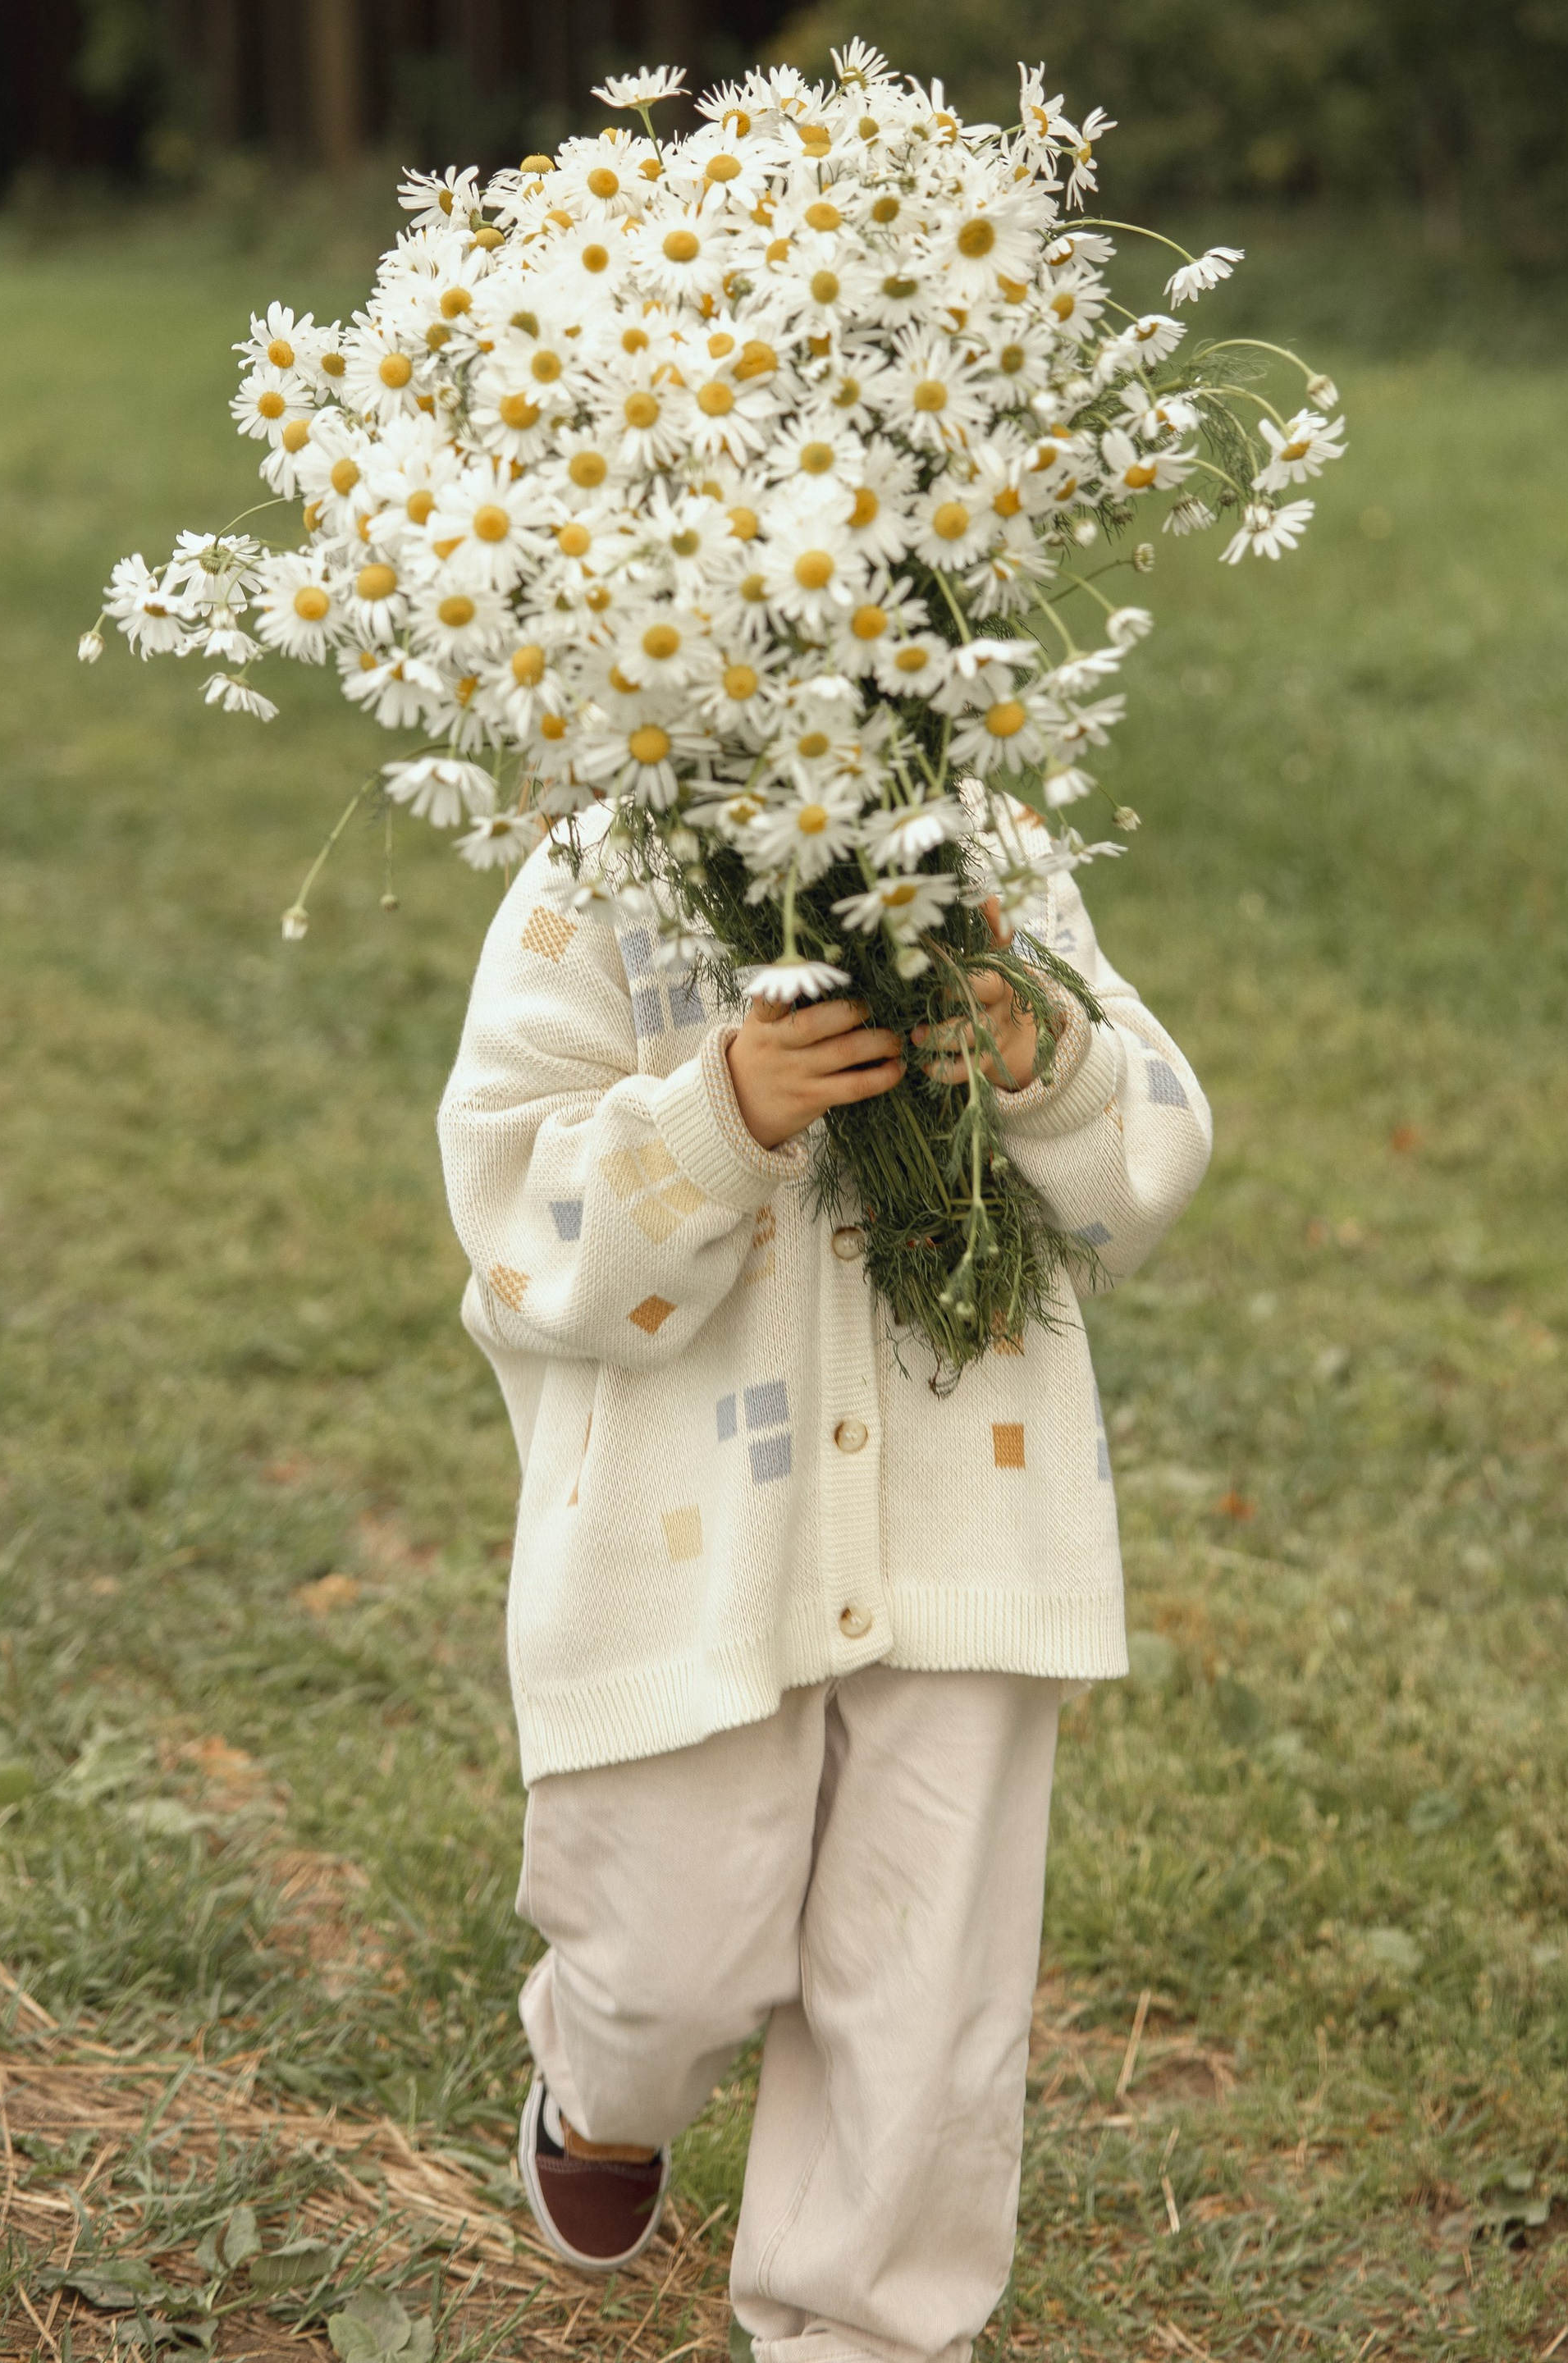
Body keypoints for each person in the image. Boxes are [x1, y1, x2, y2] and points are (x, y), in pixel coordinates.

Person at [437, 804, 1210, 2363]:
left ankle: (860, 2335)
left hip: (968, 1527)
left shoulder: (983, 836)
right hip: (696, 1551)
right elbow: (515, 1219)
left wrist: (1037, 1053)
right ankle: (603, 2089)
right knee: (669, 1956)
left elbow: (1141, 1169)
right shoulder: (604, 872)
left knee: (919, 2002)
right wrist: (723, 1113)